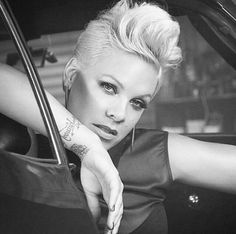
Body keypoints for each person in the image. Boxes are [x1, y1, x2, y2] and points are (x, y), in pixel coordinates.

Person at [0, 0, 236, 233]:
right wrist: (86, 144)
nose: (120, 114)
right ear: (71, 76)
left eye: (137, 102)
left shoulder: (152, 153)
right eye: (109, 87)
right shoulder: (27, 146)